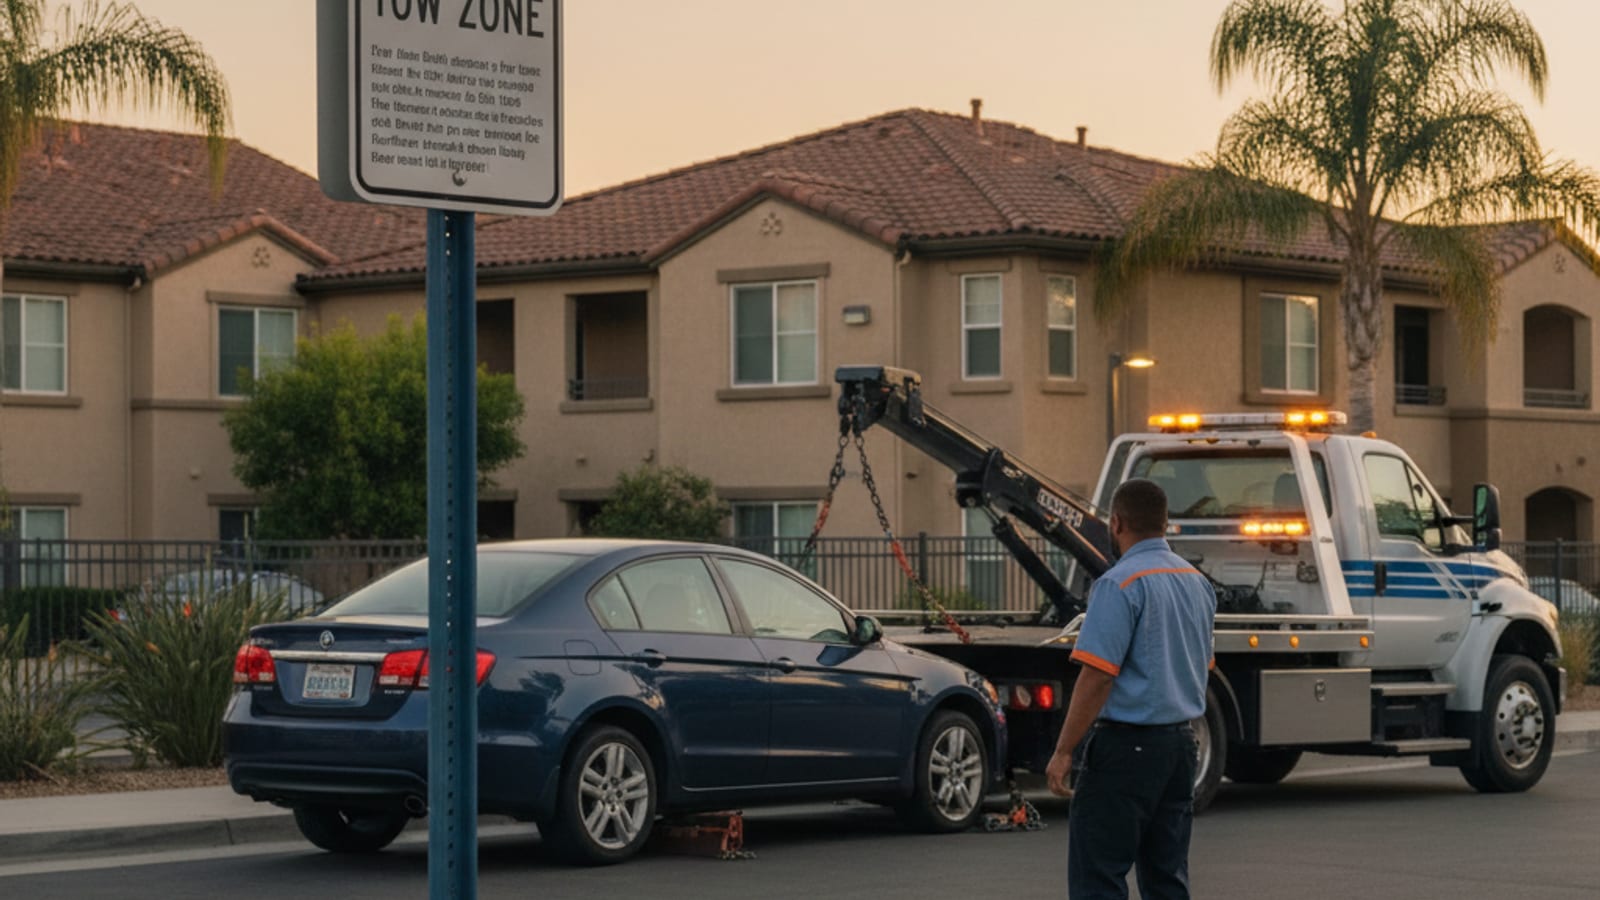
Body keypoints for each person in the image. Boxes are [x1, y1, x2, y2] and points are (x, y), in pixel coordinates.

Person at [1045, 478, 1215, 900]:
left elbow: (1098, 674)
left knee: (1098, 877)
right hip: (1180, 746)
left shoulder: (1118, 584)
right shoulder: (1197, 583)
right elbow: (1203, 664)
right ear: (1164, 523)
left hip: (1126, 749)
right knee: (1167, 877)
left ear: (1116, 523)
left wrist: (1064, 750)